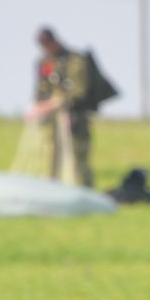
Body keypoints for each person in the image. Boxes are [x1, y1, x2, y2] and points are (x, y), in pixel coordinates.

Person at [27, 27, 114, 187]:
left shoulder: (76, 61)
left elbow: (79, 92)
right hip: (52, 120)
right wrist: (40, 107)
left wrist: (53, 104)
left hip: (75, 118)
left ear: (54, 40)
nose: (46, 48)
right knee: (50, 156)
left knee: (78, 158)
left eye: (47, 44)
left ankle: (84, 193)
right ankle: (51, 191)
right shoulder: (45, 62)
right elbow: (41, 90)